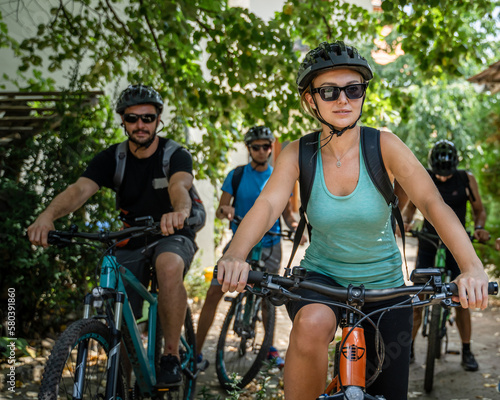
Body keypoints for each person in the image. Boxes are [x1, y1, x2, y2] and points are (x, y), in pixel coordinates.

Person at [215, 41, 489, 400]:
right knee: (311, 324)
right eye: (329, 91)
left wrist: (471, 267)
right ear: (311, 99)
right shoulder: (300, 153)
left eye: (353, 89)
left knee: (387, 390)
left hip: (386, 285)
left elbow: (432, 203)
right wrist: (235, 254)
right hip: (322, 279)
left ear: (362, 94)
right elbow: (267, 205)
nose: (342, 100)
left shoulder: (384, 145)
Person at [27, 84, 198, 388]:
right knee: (121, 307)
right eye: (132, 118)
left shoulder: (175, 154)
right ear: (123, 120)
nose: (140, 125)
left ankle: (170, 355)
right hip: (131, 235)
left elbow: (179, 187)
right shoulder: (113, 158)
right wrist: (47, 216)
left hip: (171, 230)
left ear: (158, 119)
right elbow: (79, 190)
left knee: (169, 265)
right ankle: (122, 383)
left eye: (147, 118)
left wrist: (179, 211)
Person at [196, 126, 304, 368]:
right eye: (257, 147)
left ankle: (269, 347)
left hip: (270, 244)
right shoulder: (236, 175)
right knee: (214, 291)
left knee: (269, 297)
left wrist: (295, 225)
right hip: (239, 244)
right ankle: (196, 351)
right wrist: (227, 211)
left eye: (267, 146)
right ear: (249, 149)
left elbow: (286, 213)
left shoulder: (278, 175)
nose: (263, 151)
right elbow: (222, 208)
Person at [403, 139, 490, 371]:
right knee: (418, 297)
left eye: (446, 174)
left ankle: (467, 350)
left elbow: (479, 210)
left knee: (463, 299)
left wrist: (480, 228)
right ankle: (408, 348)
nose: (442, 178)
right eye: (438, 174)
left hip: (457, 246)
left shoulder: (466, 179)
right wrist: (406, 222)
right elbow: (410, 209)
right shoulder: (425, 178)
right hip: (428, 242)